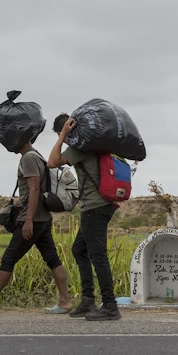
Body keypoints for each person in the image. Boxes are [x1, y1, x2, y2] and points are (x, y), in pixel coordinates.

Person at [0, 131, 73, 314]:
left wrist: (28, 219)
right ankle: (65, 302)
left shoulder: (28, 158)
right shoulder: (36, 155)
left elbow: (35, 189)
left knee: (8, 259)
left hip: (33, 219)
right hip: (43, 218)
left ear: (19, 140)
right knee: (52, 258)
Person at [47, 113, 120, 321]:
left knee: (98, 256)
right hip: (100, 206)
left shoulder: (81, 148)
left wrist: (62, 135)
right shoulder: (94, 145)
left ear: (70, 130)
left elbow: (52, 162)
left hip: (94, 207)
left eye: (66, 132)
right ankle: (88, 300)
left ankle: (110, 306)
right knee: (79, 250)